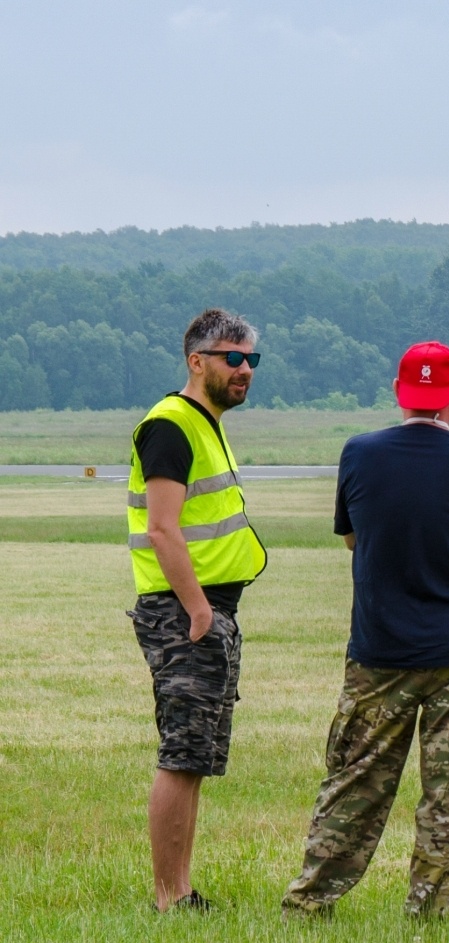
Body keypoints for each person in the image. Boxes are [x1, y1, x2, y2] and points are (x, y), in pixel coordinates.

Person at [282, 341, 449, 918]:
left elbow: (353, 538)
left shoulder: (359, 453)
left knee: (355, 782)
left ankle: (310, 901)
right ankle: (430, 909)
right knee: (447, 796)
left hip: (380, 647)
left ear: (398, 393)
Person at [127, 308, 268, 911]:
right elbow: (163, 529)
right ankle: (169, 896)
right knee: (182, 753)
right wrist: (198, 613)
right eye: (231, 358)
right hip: (186, 611)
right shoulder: (171, 425)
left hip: (209, 609)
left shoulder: (205, 424)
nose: (243, 370)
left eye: (250, 360)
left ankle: (182, 889)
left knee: (199, 756)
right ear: (197, 361)